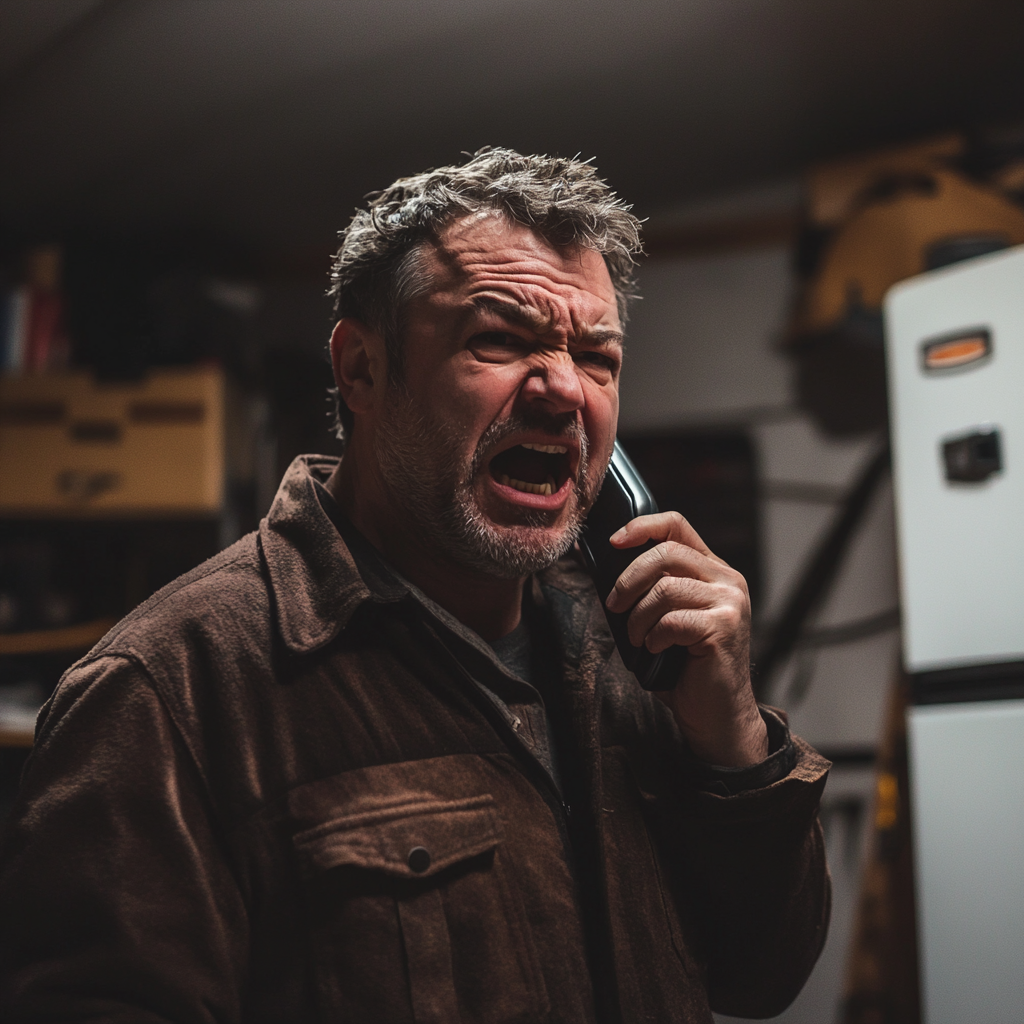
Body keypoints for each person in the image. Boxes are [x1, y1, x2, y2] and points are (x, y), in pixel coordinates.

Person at [0, 148, 830, 1023]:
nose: (561, 392)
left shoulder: (641, 650)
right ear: (360, 370)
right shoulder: (168, 696)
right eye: (500, 340)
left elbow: (761, 976)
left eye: (597, 358)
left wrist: (733, 738)